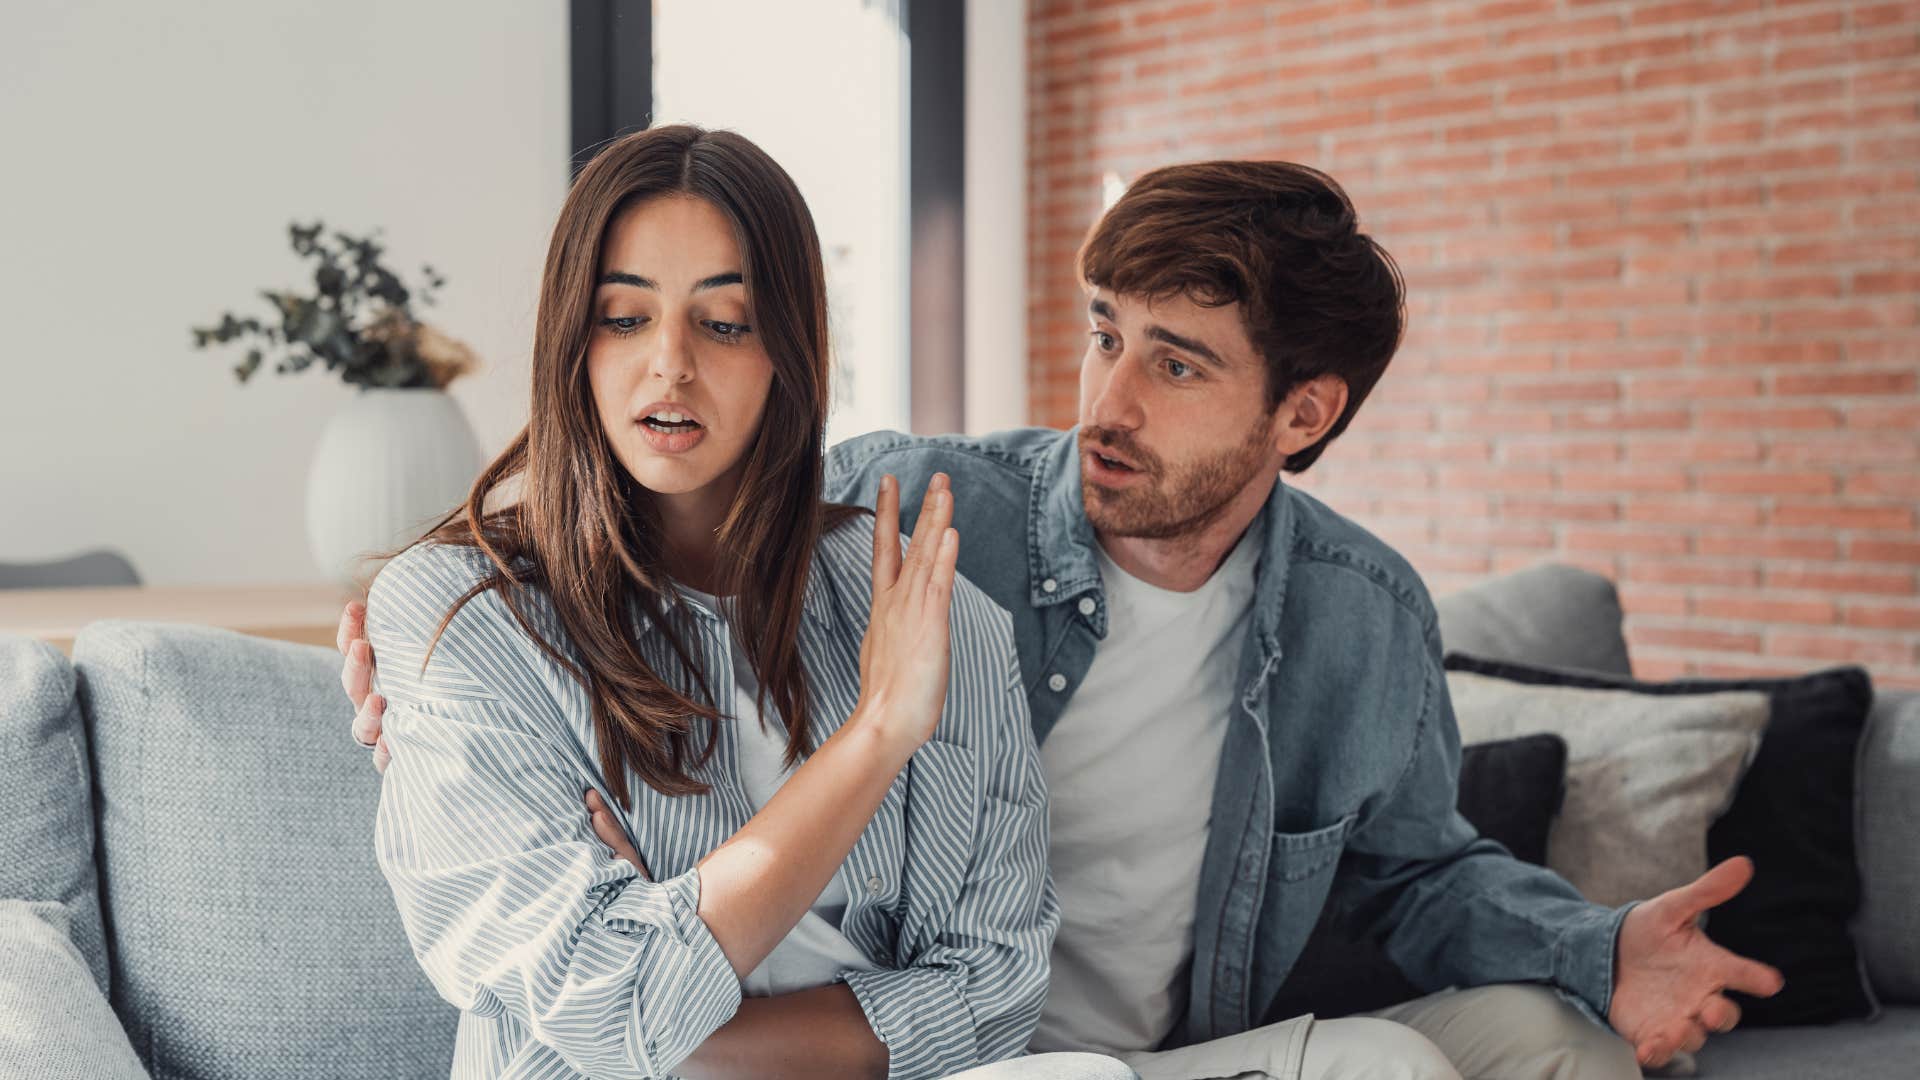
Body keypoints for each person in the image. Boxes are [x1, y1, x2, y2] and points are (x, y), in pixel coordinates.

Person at [344, 153, 1784, 1079]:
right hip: (960, 1057)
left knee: (1551, 1046)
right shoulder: (925, 523)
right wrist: (426, 647)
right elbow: (693, 503)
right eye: (1105, 335)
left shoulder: (1359, 617)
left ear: (1304, 412)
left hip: (1121, 1051)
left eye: (1175, 365)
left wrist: (1593, 950)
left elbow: (1415, 876)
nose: (1107, 403)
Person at [356, 123, 1132, 1080]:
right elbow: (609, 1006)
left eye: (725, 324)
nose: (671, 364)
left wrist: (684, 1032)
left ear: (788, 352)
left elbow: (993, 991)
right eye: (624, 317)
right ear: (572, 340)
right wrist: (876, 735)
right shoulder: (465, 615)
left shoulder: (931, 607)